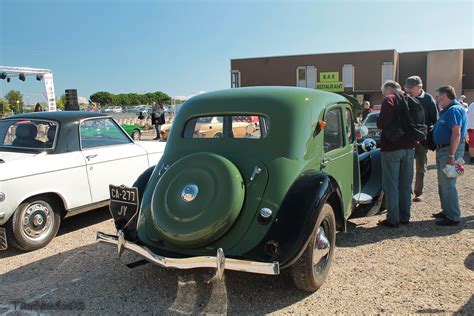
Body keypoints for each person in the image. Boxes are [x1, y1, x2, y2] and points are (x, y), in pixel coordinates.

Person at [376, 80, 417, 228]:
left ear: (389, 89)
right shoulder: (411, 99)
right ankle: (405, 216)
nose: (383, 95)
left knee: (391, 184)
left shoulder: (389, 99)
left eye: (383, 92)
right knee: (405, 185)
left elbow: (382, 123)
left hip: (392, 147)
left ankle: (393, 219)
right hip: (410, 147)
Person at [432, 86, 467, 226]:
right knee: (443, 183)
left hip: (450, 151)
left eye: (438, 96)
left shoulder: (454, 110)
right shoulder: (447, 110)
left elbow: (456, 133)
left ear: (445, 95)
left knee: (448, 184)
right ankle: (447, 210)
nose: (436, 99)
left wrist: (452, 155)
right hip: (444, 150)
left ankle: (453, 216)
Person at [403, 76, 438, 202]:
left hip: (422, 139)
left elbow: (435, 120)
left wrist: (430, 136)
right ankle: (406, 191)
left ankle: (419, 192)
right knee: (405, 166)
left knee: (420, 166)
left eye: (410, 88)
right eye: (406, 87)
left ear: (419, 87)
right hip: (407, 138)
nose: (408, 90)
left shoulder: (428, 99)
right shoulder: (405, 98)